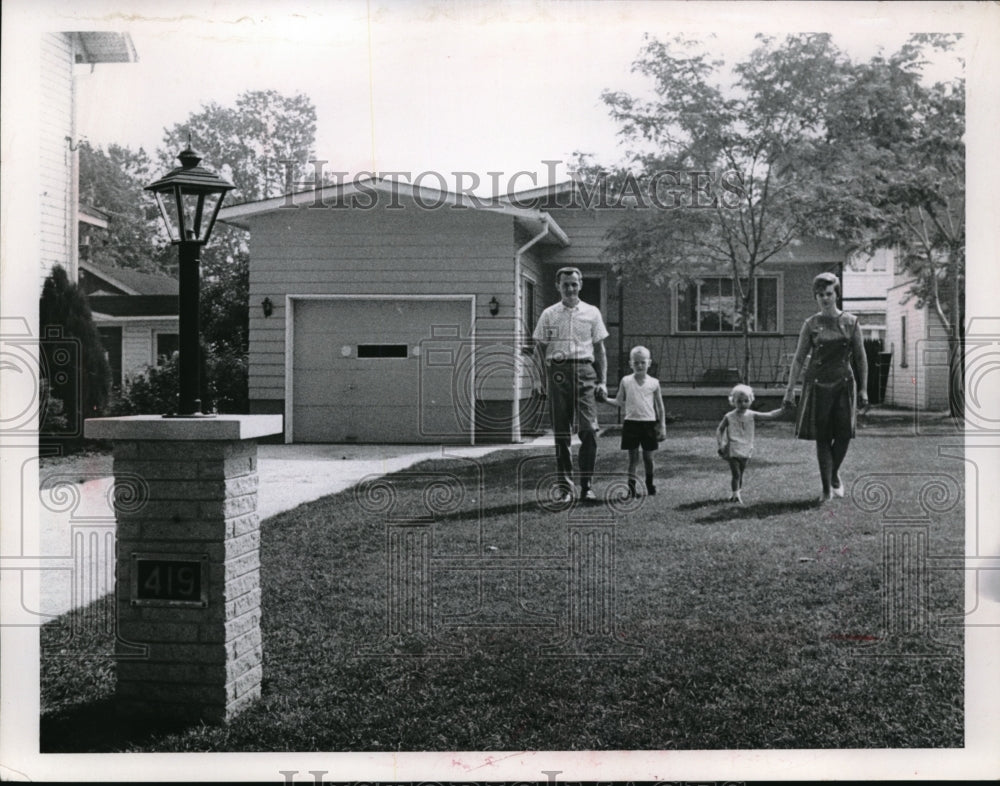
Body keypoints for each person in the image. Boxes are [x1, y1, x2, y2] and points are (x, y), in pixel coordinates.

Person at [782, 272, 869, 503]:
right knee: (822, 437)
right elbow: (799, 359)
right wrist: (790, 389)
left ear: (836, 294)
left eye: (829, 294)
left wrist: (864, 389)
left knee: (843, 435)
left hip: (844, 383)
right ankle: (826, 490)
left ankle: (834, 474)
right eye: (820, 295)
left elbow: (861, 359)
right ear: (816, 297)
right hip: (818, 385)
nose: (825, 299)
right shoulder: (811, 324)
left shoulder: (851, 322)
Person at [532, 266, 609, 503]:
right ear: (558, 286)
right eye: (566, 284)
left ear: (580, 284)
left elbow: (600, 349)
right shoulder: (549, 314)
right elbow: (539, 349)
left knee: (589, 430)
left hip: (585, 371)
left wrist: (603, 381)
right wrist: (537, 380)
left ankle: (586, 486)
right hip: (558, 372)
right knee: (562, 434)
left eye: (574, 284)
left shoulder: (592, 312)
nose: (570, 288)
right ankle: (565, 488)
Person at [606, 345, 667, 498]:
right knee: (633, 458)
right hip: (631, 424)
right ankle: (631, 488)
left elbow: (660, 406)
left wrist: (662, 425)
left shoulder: (654, 383)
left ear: (649, 363)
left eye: (643, 362)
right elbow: (620, 401)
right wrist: (604, 399)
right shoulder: (626, 381)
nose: (639, 365)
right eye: (636, 362)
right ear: (630, 364)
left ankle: (649, 483)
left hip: (648, 424)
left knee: (648, 457)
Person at [716, 383, 784, 504]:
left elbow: (770, 415)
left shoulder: (752, 414)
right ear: (733, 401)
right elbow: (720, 429)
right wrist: (720, 443)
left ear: (751, 400)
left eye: (746, 401)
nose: (743, 404)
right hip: (732, 448)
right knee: (736, 473)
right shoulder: (729, 416)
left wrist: (783, 409)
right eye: (739, 401)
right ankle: (735, 495)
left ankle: (736, 494)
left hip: (746, 447)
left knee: (741, 473)